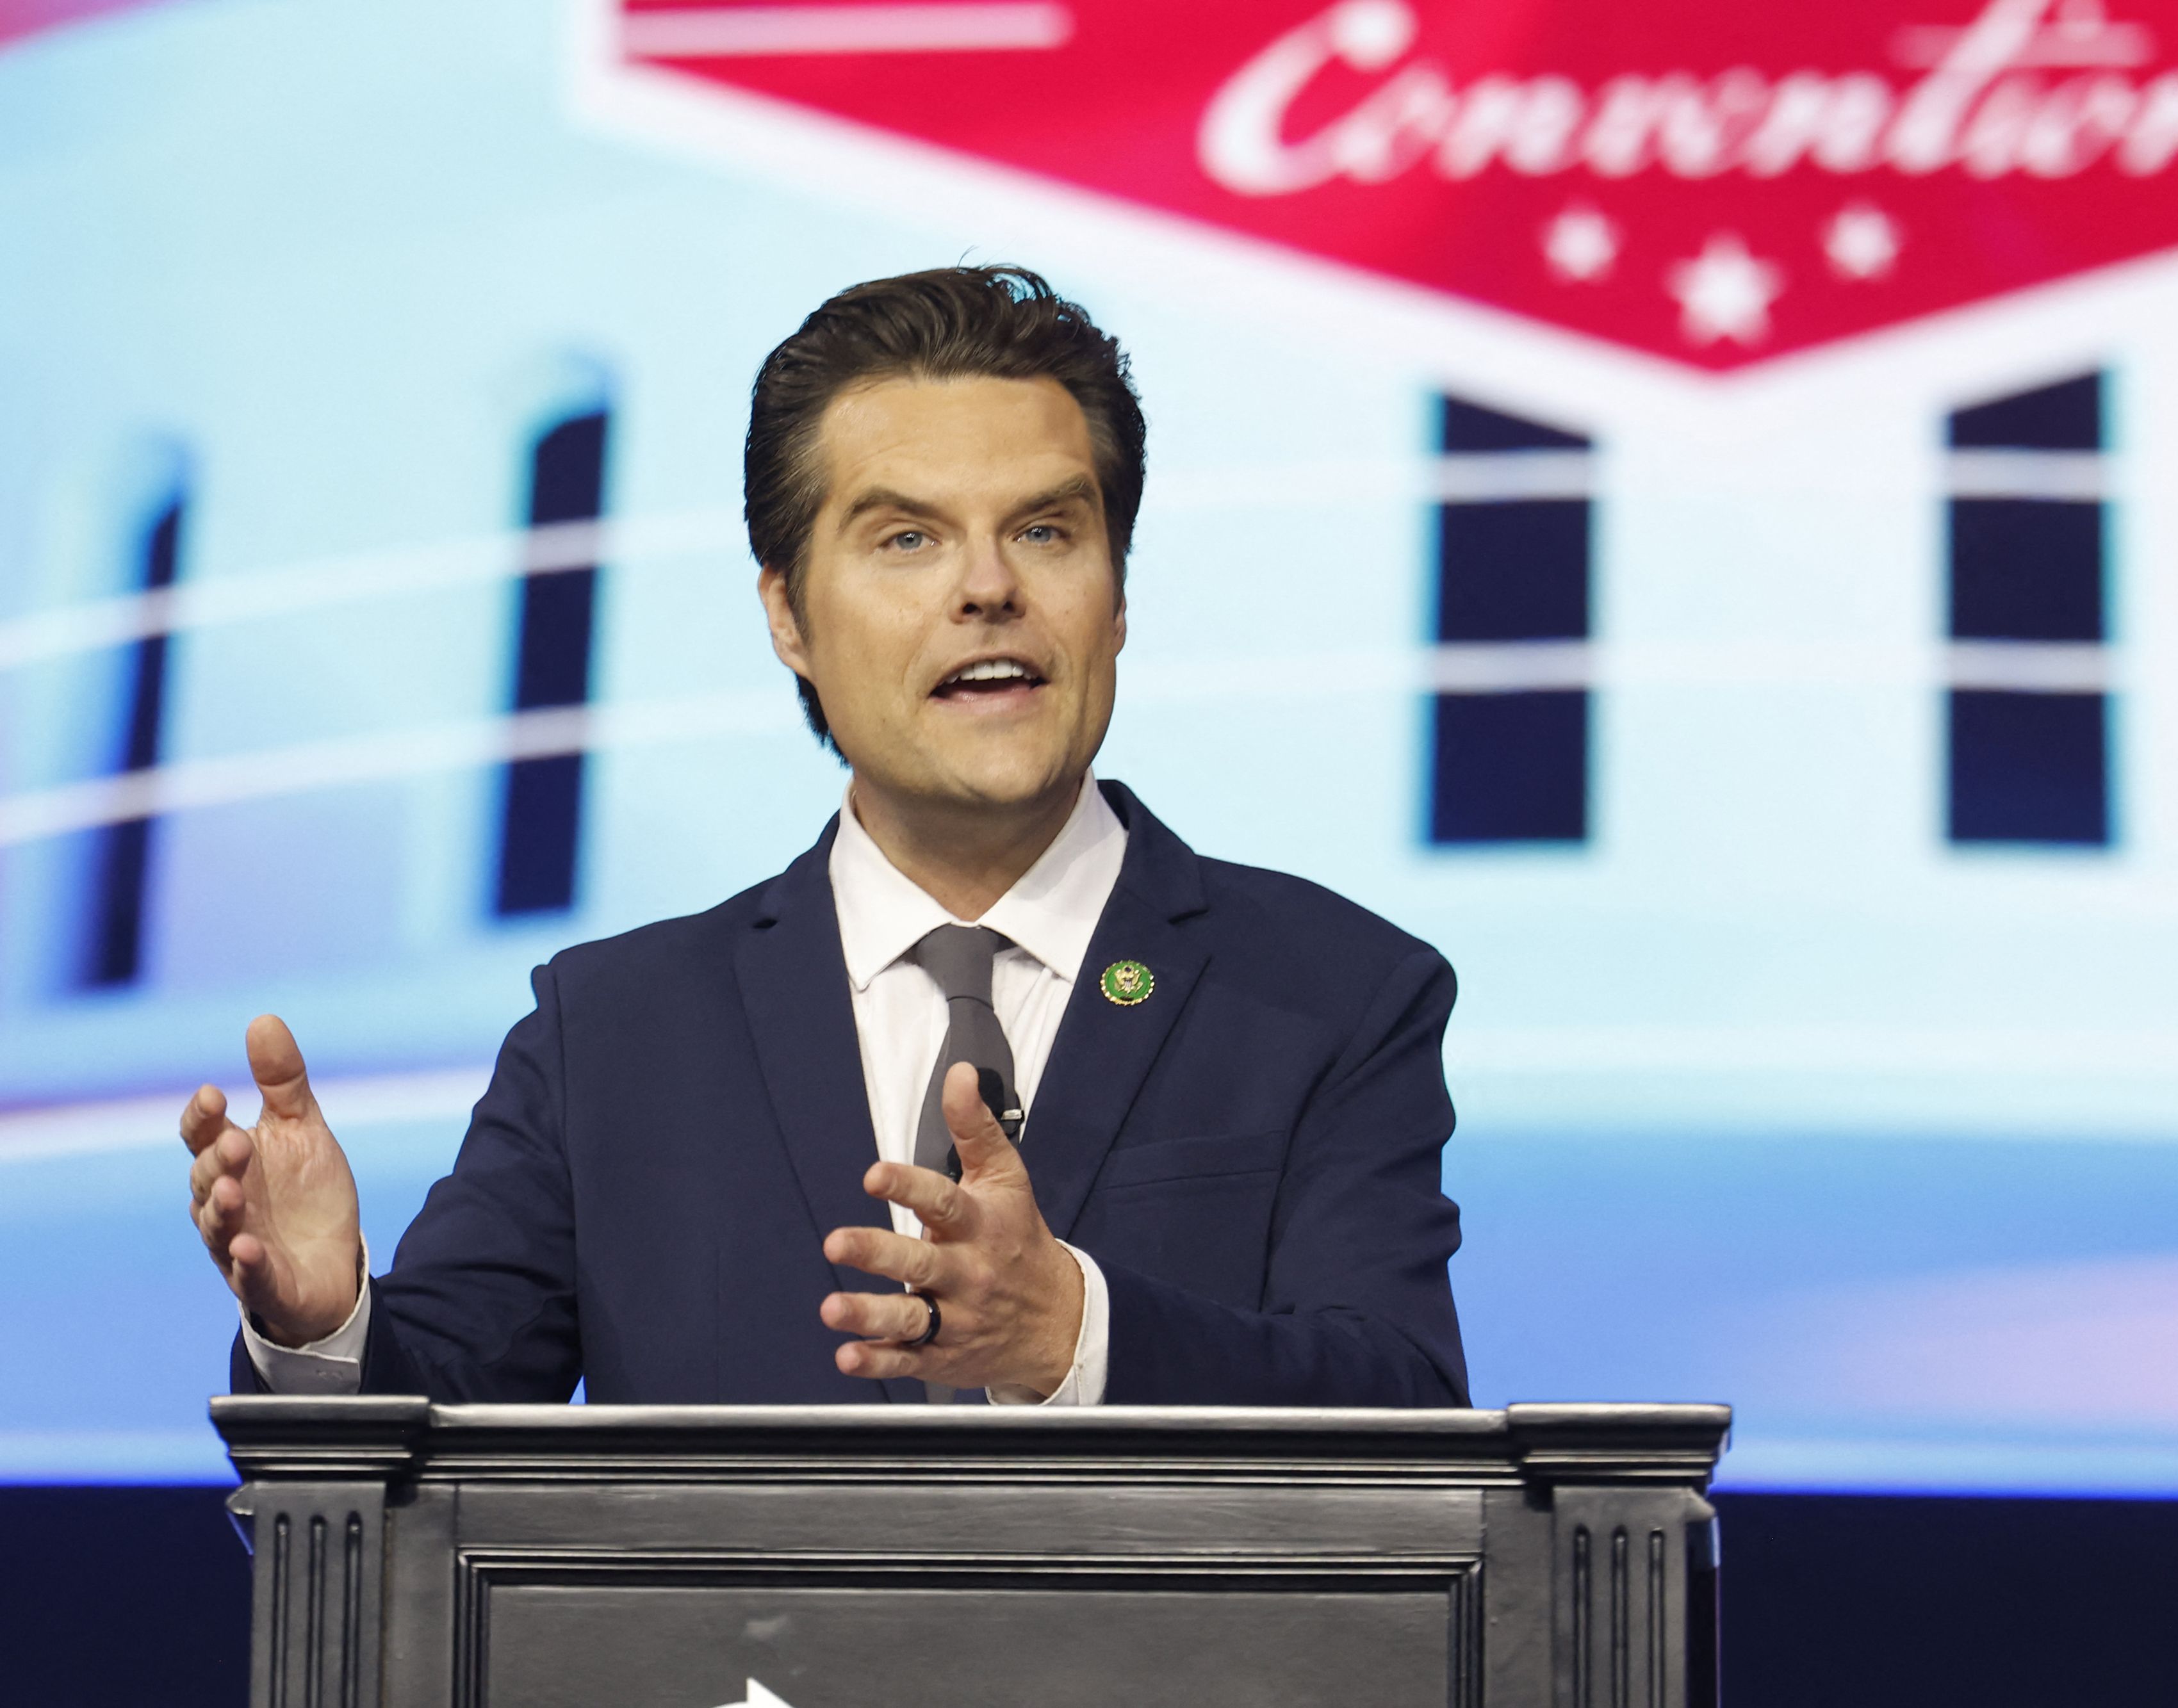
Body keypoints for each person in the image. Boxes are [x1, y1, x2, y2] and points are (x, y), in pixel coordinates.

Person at [181, 265, 1467, 1408]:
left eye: (1045, 530)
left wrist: (1074, 1337)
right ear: (788, 615)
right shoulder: (612, 1032)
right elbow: (432, 1429)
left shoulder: (1332, 993)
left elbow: (1401, 1410)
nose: (988, 587)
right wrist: (322, 1325)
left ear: (1116, 596)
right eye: (907, 538)